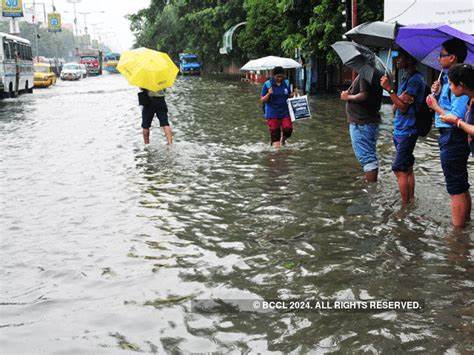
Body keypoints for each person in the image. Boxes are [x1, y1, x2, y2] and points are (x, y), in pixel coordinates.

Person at [426, 39, 471, 228]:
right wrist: (435, 93)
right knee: (459, 183)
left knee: (455, 187)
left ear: (452, 58)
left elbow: (456, 117)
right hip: (448, 134)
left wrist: (435, 107)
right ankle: (464, 226)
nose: (438, 59)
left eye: (442, 55)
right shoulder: (446, 80)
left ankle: (457, 235)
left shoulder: (461, 86)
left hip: (453, 135)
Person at [380, 50, 426, 205]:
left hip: (408, 130)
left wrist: (389, 89)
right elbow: (396, 106)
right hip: (400, 128)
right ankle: (411, 201)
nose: (397, 60)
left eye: (400, 57)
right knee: (407, 167)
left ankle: (405, 206)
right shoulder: (406, 77)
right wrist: (397, 98)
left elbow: (403, 107)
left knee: (398, 168)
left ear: (410, 59)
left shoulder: (415, 80)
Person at [340, 72, 383, 182]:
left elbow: (364, 95)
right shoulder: (375, 73)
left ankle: (371, 190)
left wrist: (347, 97)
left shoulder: (365, 73)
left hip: (362, 123)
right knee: (369, 155)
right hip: (369, 121)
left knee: (367, 159)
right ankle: (372, 185)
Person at [440, 64, 474, 156]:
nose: (450, 88)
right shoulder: (470, 99)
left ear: (461, 85)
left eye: (450, 84)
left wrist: (457, 121)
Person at [261, 66, 296, 148]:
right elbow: (262, 100)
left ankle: (283, 140)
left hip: (285, 112)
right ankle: (276, 148)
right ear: (273, 76)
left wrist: (292, 94)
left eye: (281, 76)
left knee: (288, 129)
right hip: (272, 113)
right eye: (278, 77)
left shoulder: (286, 83)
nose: (280, 78)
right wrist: (268, 94)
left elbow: (288, 96)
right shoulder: (267, 84)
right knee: (275, 135)